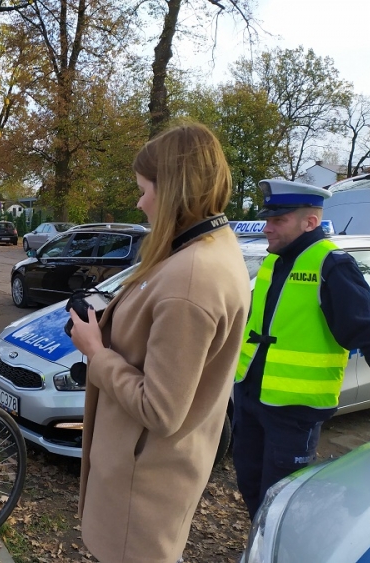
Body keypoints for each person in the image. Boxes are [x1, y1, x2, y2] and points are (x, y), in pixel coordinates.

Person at [68, 122, 251, 563]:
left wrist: (95, 352)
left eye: (145, 189)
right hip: (148, 475)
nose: (140, 202)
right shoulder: (202, 250)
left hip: (143, 486)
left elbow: (160, 409)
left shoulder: (192, 276)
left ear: (174, 190)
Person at [232, 179, 370, 520]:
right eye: (267, 219)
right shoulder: (274, 261)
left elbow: (366, 330)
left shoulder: (332, 265)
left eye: (277, 220)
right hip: (251, 399)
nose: (267, 228)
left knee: (280, 503)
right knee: (251, 489)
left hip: (294, 411)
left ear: (309, 222)